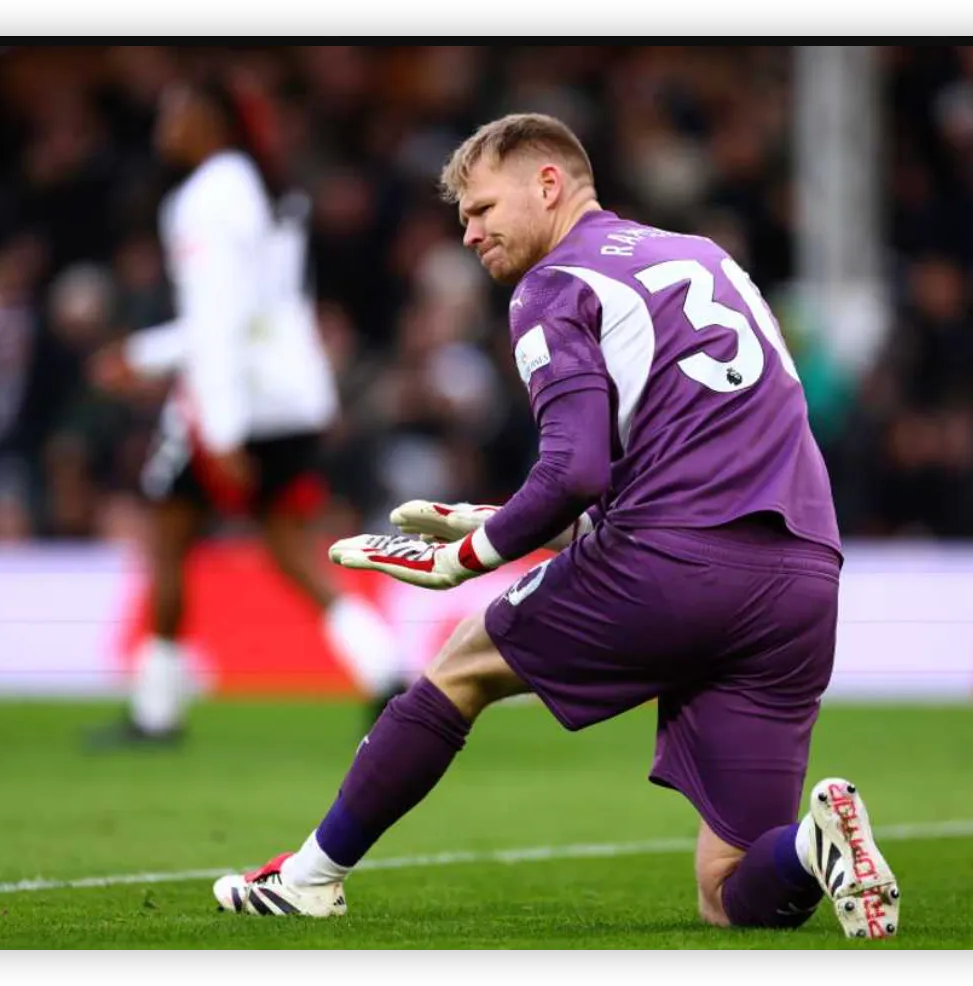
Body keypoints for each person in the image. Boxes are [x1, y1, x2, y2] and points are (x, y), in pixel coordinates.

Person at [210, 113, 901, 940]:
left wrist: (469, 557)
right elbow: (684, 453)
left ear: (548, 184)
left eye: (481, 208)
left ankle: (310, 878)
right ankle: (815, 847)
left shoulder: (554, 285)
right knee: (730, 890)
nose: (469, 234)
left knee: (460, 669)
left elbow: (575, 473)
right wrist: (511, 522)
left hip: (673, 563)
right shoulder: (700, 256)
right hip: (800, 580)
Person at [85, 76, 408, 746]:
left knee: (166, 538)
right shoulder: (266, 190)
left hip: (236, 402)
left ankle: (156, 712)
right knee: (290, 548)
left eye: (174, 108)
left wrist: (222, 428)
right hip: (294, 394)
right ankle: (384, 671)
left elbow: (219, 321)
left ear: (208, 121)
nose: (163, 123)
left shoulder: (204, 198)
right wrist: (144, 354)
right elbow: (250, 311)